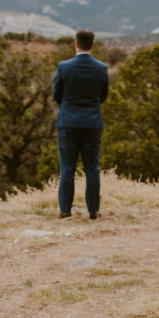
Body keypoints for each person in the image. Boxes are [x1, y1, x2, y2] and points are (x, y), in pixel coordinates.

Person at [52, 29, 109, 220]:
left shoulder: (64, 67)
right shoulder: (101, 69)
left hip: (68, 122)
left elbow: (56, 95)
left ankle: (65, 210)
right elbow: (103, 96)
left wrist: (69, 107)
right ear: (93, 44)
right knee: (92, 167)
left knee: (67, 166)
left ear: (76, 43)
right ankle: (94, 211)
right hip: (92, 122)